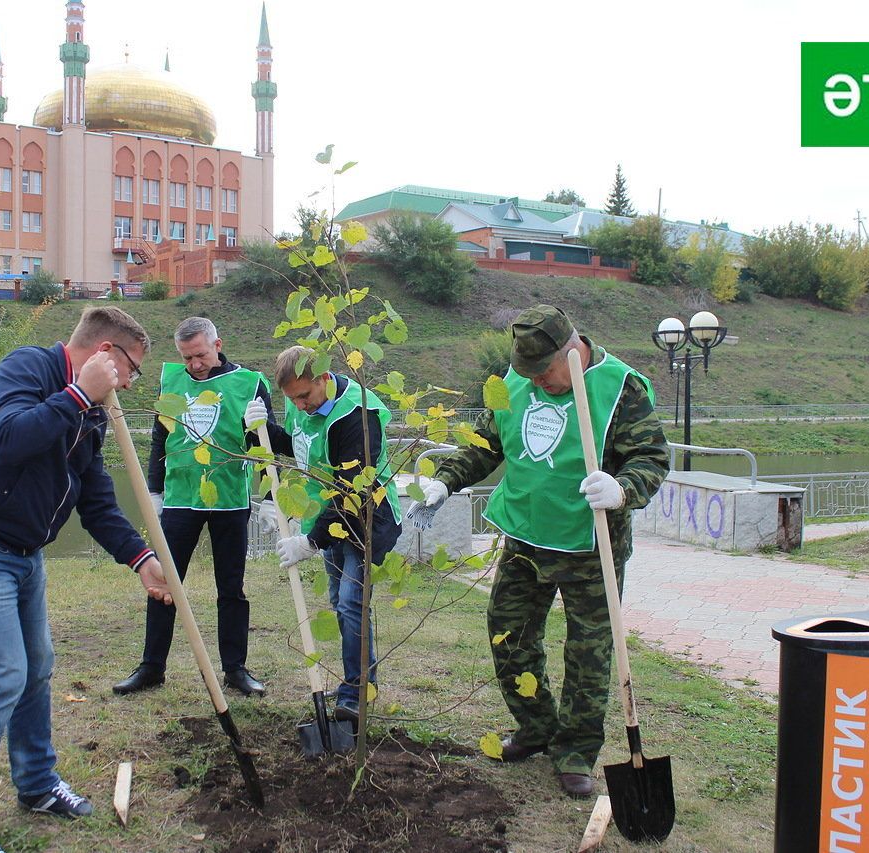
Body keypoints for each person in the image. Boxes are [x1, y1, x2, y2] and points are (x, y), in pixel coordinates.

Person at [0, 306, 173, 853]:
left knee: (36, 668)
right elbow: (10, 439)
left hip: (22, 552)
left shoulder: (87, 415)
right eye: (131, 369)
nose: (130, 384)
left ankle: (37, 785)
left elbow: (95, 499)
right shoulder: (27, 370)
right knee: (2, 677)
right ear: (106, 354)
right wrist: (78, 396)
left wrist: (140, 558)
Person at [407, 305, 667, 798]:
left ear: (571, 351)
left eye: (544, 372)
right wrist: (445, 483)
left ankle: (576, 750)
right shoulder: (516, 380)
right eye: (527, 373)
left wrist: (622, 488)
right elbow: (486, 444)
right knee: (508, 633)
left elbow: (651, 458)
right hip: (525, 534)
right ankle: (536, 726)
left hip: (592, 545)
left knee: (588, 651)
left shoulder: (621, 387)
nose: (537, 382)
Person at [113, 317, 273, 698]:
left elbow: (264, 443)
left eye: (200, 355)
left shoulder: (249, 384)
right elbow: (158, 438)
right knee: (165, 582)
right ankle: (152, 667)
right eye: (187, 357)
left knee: (231, 587)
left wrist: (268, 498)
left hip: (230, 500)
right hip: (180, 499)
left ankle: (235, 669)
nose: (194, 364)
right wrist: (154, 491)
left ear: (218, 345)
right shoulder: (173, 381)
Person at [245, 345, 403, 723]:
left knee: (351, 602)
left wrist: (310, 541)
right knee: (340, 600)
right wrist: (263, 430)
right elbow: (299, 451)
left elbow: (354, 489)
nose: (299, 406)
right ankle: (358, 681)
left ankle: (357, 692)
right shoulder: (305, 405)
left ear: (324, 378)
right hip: (328, 518)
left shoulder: (357, 416)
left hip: (367, 520)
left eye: (304, 396)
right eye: (292, 399)